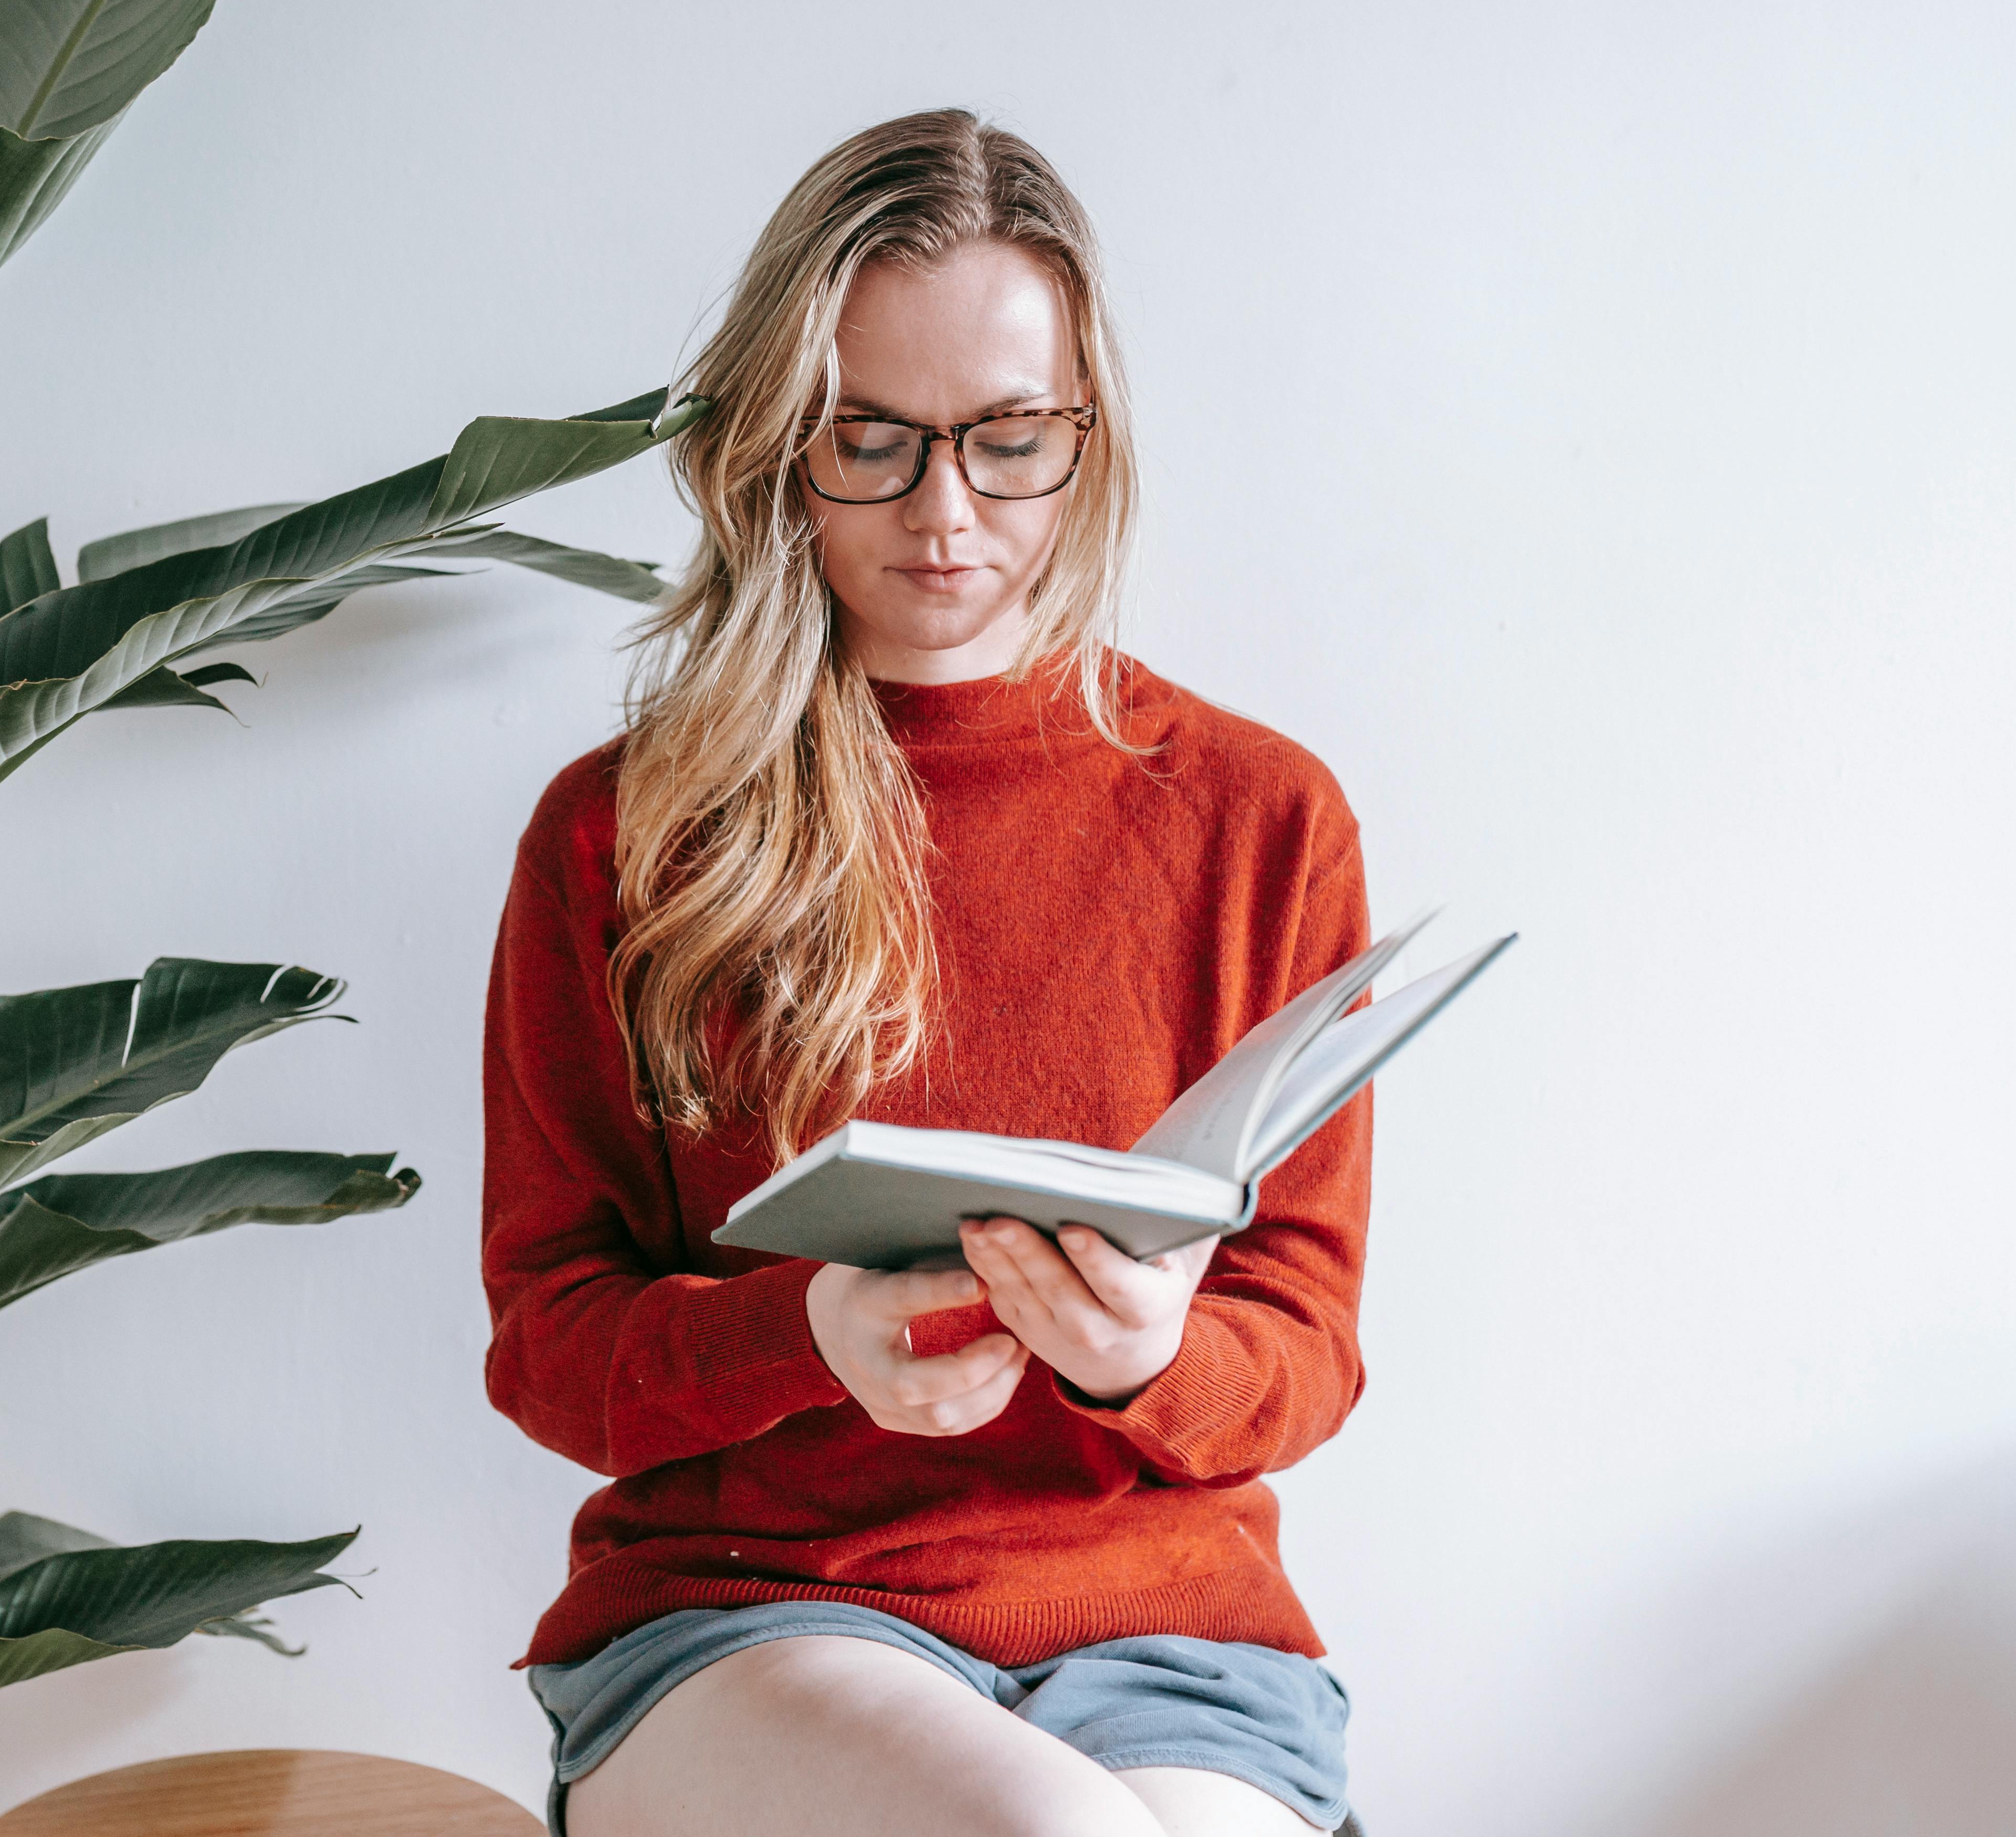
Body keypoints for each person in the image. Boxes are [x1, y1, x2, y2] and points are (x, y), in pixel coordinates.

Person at [480, 110, 1371, 1837]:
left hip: (1173, 1634)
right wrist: (806, 1336)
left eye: (1009, 440)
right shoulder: (623, 836)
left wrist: (1146, 1360)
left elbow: (1311, 1347)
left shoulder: (1263, 820)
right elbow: (548, 1342)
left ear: (1085, 438)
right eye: (870, 442)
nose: (945, 512)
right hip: (749, 1613)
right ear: (772, 449)